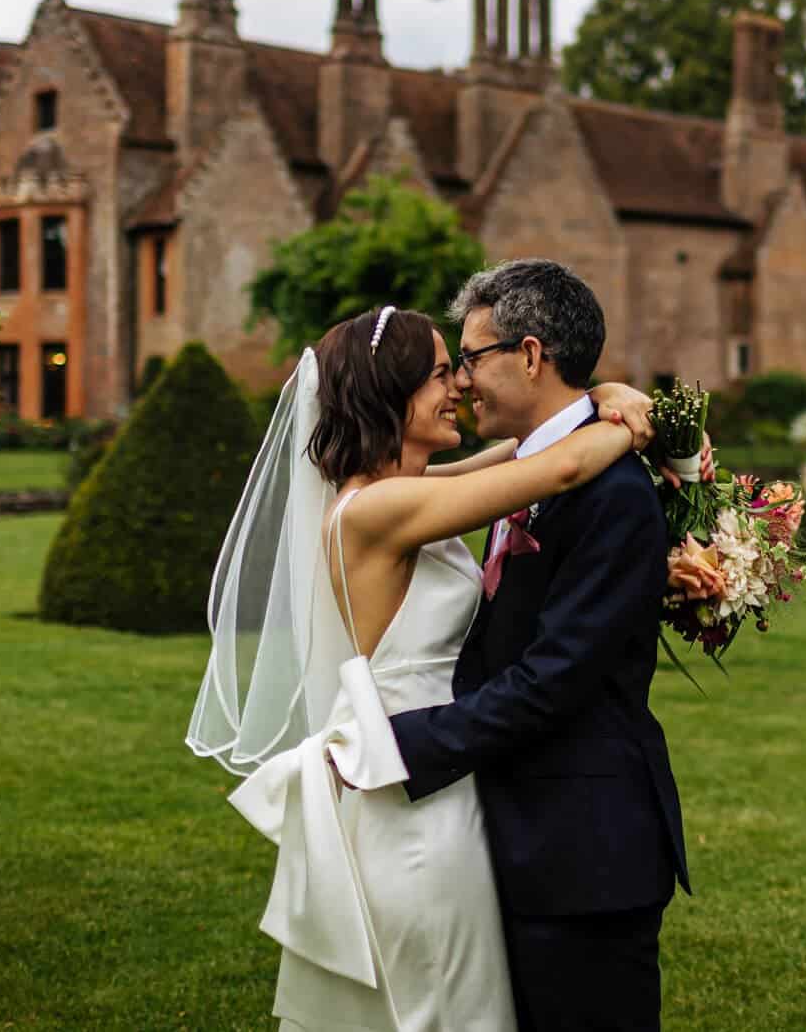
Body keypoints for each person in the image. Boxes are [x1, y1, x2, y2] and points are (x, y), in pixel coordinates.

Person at [189, 300, 659, 1031]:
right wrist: (637, 427)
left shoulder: (404, 494)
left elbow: (528, 449)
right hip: (416, 794)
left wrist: (601, 395)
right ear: (393, 394)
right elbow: (562, 465)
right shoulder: (374, 512)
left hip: (443, 771)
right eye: (442, 373)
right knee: (438, 1001)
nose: (459, 387)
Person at [388, 259, 689, 1031]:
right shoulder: (532, 469)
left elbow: (554, 678)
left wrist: (400, 743)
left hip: (585, 853)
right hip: (524, 837)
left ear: (529, 355)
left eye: (471, 358)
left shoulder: (615, 493)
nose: (462, 382)